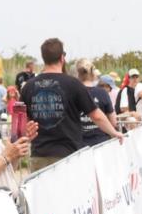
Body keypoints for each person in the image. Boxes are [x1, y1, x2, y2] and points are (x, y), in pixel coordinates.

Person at [20, 38, 122, 171]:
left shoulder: (28, 86)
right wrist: (114, 132)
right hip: (68, 156)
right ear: (62, 58)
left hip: (39, 155)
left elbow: (22, 121)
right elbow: (96, 115)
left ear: (44, 58)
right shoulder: (73, 84)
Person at [75, 60, 120, 145]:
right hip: (101, 143)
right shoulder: (102, 93)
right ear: (92, 73)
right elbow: (113, 122)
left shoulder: (72, 93)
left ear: (78, 73)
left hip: (79, 146)